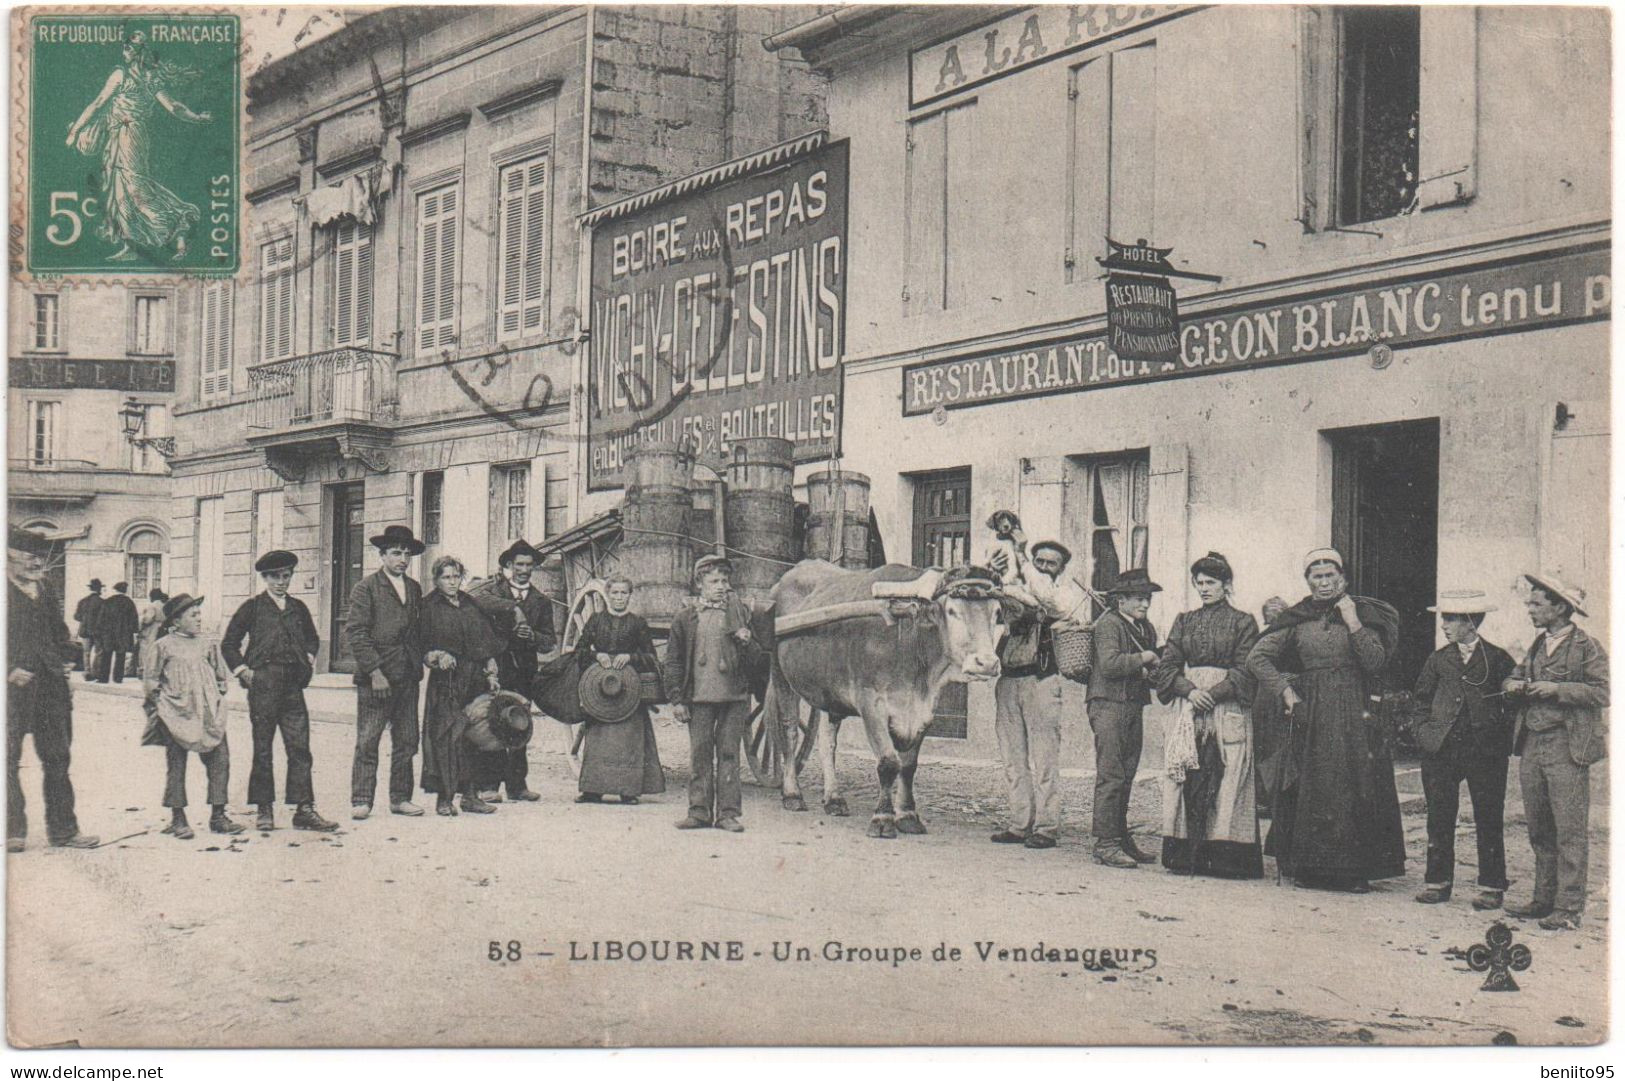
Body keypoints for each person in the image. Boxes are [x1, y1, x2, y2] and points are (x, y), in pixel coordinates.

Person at [1247, 548, 1404, 892]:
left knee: (1354, 783)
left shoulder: (1362, 613)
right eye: (1316, 576)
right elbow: (1257, 658)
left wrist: (1353, 622)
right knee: (1312, 786)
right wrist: (1286, 692)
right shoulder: (1297, 617)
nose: (1324, 582)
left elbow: (1375, 662)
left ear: (1343, 579)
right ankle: (1309, 867)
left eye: (1330, 575)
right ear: (1308, 581)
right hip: (1312, 710)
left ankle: (1353, 871)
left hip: (1355, 708)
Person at [1502, 572, 1608, 931]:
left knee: (1569, 830)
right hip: (1533, 744)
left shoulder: (1586, 647)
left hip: (1568, 747)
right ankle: (1542, 899)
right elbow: (1512, 678)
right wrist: (1514, 685)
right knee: (1539, 828)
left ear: (1560, 607)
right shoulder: (1536, 645)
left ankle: (1568, 907)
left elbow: (1604, 692)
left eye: (1536, 603)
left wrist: (1556, 689)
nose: (1529, 609)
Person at [1154, 552, 1263, 878]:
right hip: (1189, 707)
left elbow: (1246, 668)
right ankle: (1185, 855)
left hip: (1226, 705)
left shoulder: (1244, 621)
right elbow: (1168, 665)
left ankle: (1225, 857)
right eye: (1199, 583)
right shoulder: (1184, 620)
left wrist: (1213, 694)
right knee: (1183, 770)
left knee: (1230, 773)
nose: (1204, 589)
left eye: (1211, 583)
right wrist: (1189, 690)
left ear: (1226, 584)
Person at [1410, 590, 1515, 910]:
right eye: (1444, 618)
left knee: (1488, 817)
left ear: (1471, 623)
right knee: (1439, 816)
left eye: (1452, 619)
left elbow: (1511, 705)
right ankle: (1437, 882)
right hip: (1441, 749)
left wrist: (1499, 740)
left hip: (1485, 751)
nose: (1444, 625)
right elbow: (1420, 700)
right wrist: (1425, 735)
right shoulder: (1438, 659)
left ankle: (1491, 886)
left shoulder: (1498, 659)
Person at [65, 31, 210, 261]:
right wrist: (197, 117)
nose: (125, 51)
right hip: (123, 136)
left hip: (128, 136)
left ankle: (179, 224)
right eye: (125, 47)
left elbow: (100, 103)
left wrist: (75, 130)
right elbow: (173, 107)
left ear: (139, 52)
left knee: (133, 188)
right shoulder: (145, 77)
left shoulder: (124, 75)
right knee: (121, 188)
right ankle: (133, 244)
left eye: (129, 48)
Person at [221, 551, 335, 833]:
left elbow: (312, 638)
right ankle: (264, 808)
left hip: (293, 686)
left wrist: (308, 658)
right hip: (263, 685)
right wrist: (243, 672)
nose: (281, 582)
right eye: (275, 577)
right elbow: (228, 644)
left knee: (300, 747)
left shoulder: (298, 608)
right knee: (263, 748)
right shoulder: (253, 607)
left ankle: (304, 809)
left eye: (286, 576)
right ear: (265, 578)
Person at [989, 531, 1089, 850]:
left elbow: (1050, 602)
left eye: (1051, 563)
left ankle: (1047, 826)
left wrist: (1025, 568)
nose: (1044, 566)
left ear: (1060, 569)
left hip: (1041, 680)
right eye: (1039, 561)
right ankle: (1019, 823)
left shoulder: (1064, 594)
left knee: (1045, 757)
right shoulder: (1019, 587)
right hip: (1008, 679)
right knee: (1012, 757)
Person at [7, 527, 98, 851]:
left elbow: (59, 632)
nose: (36, 563)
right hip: (11, 692)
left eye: (39, 558)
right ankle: (12, 831)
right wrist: (7, 670)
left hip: (49, 688)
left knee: (58, 758)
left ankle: (64, 831)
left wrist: (69, 657)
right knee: (7, 759)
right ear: (9, 557)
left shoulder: (44, 588)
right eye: (30, 557)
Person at [665, 555, 762, 832]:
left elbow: (757, 659)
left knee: (730, 754)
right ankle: (698, 812)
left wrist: (746, 641)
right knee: (700, 755)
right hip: (698, 701)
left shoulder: (740, 614)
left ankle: (727, 814)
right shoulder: (686, 618)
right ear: (700, 584)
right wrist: (677, 699)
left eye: (725, 580)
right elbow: (673, 660)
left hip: (733, 698)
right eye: (714, 581)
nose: (721, 586)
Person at [144, 593, 240, 840]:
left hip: (208, 712)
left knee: (220, 760)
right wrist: (162, 707)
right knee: (176, 765)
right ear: (176, 621)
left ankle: (218, 815)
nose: (199, 618)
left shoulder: (208, 643)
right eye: (193, 614)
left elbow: (221, 676)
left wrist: (215, 698)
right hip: (176, 713)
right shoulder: (162, 646)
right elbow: (151, 680)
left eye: (199, 613)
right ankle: (178, 818)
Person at [345, 525, 426, 820]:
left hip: (407, 675)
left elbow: (418, 632)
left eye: (407, 553)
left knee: (407, 740)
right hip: (377, 678)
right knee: (368, 739)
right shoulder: (366, 588)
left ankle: (401, 798)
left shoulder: (415, 588)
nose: (402, 558)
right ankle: (362, 799)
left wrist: (421, 661)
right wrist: (375, 672)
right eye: (396, 553)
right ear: (382, 556)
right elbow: (356, 633)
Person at [1086, 568, 1163, 869]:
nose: (1144, 604)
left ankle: (1120, 836)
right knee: (1111, 774)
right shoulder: (1109, 625)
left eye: (1147, 599)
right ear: (1120, 600)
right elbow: (1109, 665)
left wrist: (1155, 670)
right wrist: (1146, 659)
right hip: (1107, 704)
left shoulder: (1146, 629)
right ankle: (1105, 843)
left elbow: (1148, 668)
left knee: (1127, 774)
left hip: (1133, 705)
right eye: (1138, 599)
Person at [468, 539, 554, 803]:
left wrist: (533, 636)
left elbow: (549, 641)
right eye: (519, 564)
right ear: (508, 565)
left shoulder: (541, 600)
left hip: (524, 670)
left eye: (529, 565)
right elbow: (476, 599)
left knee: (519, 723)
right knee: (493, 722)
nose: (524, 570)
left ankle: (517, 786)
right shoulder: (493, 592)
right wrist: (514, 609)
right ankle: (489, 785)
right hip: (497, 666)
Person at [418, 556, 504, 817]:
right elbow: (420, 645)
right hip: (447, 682)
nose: (452, 582)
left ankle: (470, 796)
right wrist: (436, 655)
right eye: (446, 577)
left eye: (456, 576)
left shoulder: (470, 604)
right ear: (436, 580)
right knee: (447, 738)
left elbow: (486, 642)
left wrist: (491, 672)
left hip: (474, 678)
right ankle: (444, 799)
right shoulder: (429, 607)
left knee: (474, 735)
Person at [575, 576, 666, 805]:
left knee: (629, 739)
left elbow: (651, 658)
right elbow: (580, 651)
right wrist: (598, 655)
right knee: (597, 738)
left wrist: (631, 657)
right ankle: (593, 790)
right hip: (600, 689)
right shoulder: (595, 621)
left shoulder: (637, 623)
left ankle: (628, 791)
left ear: (629, 595)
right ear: (608, 594)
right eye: (614, 593)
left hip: (628, 690)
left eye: (623, 593)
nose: (618, 598)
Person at [1251, 595, 1291, 818]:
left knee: (1278, 748)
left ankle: (1273, 797)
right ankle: (1263, 797)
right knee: (1262, 746)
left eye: (1278, 612)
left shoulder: (1290, 636)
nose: (1274, 616)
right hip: (1264, 699)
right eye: (1270, 613)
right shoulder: (1262, 638)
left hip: (1279, 697)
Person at [93, 581, 140, 683]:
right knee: (121, 656)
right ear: (125, 590)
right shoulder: (129, 602)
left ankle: (103, 678)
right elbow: (134, 619)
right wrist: (134, 631)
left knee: (106, 655)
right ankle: (118, 678)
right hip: (123, 635)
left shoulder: (108, 601)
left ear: (115, 589)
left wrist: (98, 631)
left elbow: (101, 618)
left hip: (108, 634)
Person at [73, 579, 105, 677]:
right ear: (99, 589)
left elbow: (76, 617)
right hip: (98, 632)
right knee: (99, 652)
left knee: (86, 652)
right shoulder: (102, 602)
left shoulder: (82, 601)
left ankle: (87, 672)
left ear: (90, 588)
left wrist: (84, 620)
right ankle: (96, 672)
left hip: (84, 631)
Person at [134, 587, 168, 677]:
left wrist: (140, 624)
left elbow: (148, 619)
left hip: (151, 631)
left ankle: (145, 670)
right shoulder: (164, 606)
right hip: (161, 630)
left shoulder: (152, 606)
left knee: (146, 650)